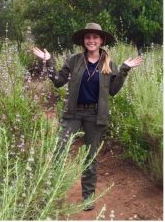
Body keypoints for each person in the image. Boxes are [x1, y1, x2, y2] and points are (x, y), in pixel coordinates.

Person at [33, 22, 143, 210]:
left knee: (90, 158)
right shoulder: (74, 60)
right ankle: (51, 194)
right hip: (73, 113)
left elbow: (114, 91)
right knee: (60, 149)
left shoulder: (109, 63)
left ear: (101, 40)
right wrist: (48, 61)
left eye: (95, 37)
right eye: (88, 37)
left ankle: (88, 198)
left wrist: (124, 69)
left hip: (95, 114)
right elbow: (58, 81)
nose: (91, 40)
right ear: (83, 41)